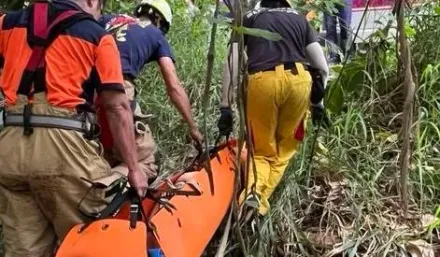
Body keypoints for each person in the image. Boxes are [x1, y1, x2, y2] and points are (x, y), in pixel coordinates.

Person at [0, 0, 148, 256]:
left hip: (10, 151)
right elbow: (117, 107)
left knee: (23, 250)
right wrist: (134, 169)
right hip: (64, 151)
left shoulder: (6, 24)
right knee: (92, 237)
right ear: (92, 2)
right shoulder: (97, 36)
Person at [218, 0, 329, 217]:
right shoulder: (300, 20)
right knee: (286, 147)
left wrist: (226, 107)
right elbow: (322, 68)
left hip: (262, 82)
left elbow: (232, 62)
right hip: (299, 81)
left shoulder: (249, 20)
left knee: (260, 150)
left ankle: (253, 195)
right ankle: (259, 199)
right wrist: (318, 103)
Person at [98, 0, 204, 181]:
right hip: (118, 87)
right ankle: (101, 192)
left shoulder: (109, 20)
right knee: (145, 163)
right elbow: (174, 86)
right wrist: (193, 128)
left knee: (104, 155)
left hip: (85, 90)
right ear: (159, 20)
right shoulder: (155, 34)